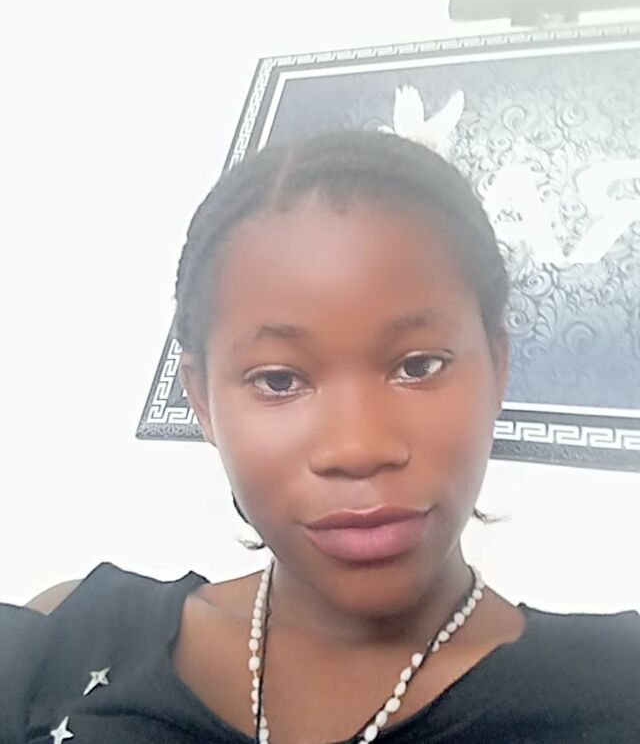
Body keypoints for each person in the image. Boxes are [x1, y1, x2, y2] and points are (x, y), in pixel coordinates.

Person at [1, 131, 638, 744]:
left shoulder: (616, 693)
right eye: (279, 380)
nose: (357, 449)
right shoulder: (60, 641)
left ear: (497, 365)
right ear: (201, 400)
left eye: (418, 366)